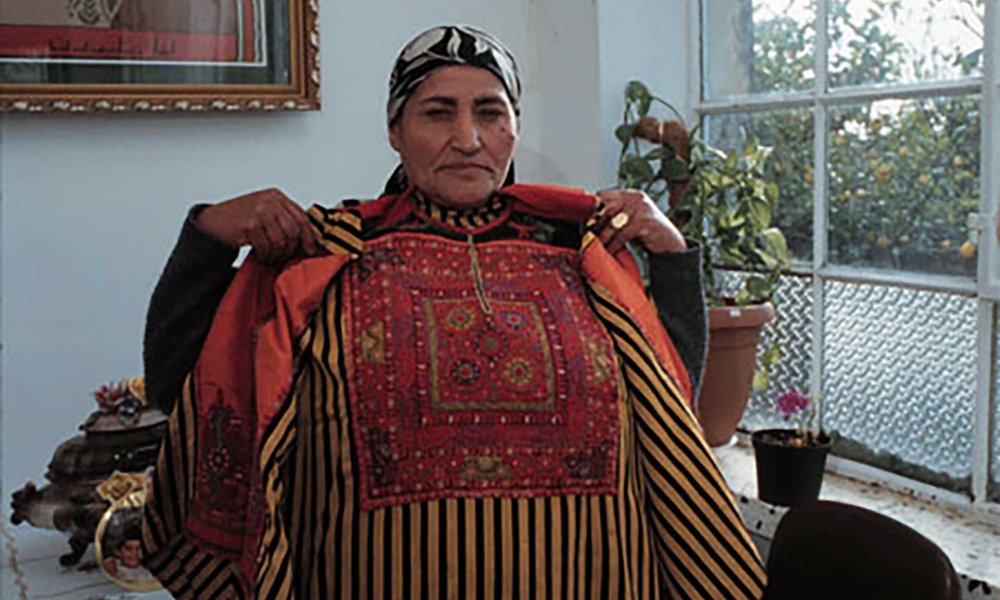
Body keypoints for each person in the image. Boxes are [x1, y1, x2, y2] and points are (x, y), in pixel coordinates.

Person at [141, 24, 765, 599]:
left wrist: (673, 254)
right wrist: (208, 235)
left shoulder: (581, 258)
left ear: (514, 128)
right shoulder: (322, 263)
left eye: (490, 112)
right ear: (395, 130)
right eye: (438, 113)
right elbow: (179, 387)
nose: (467, 139)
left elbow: (671, 406)